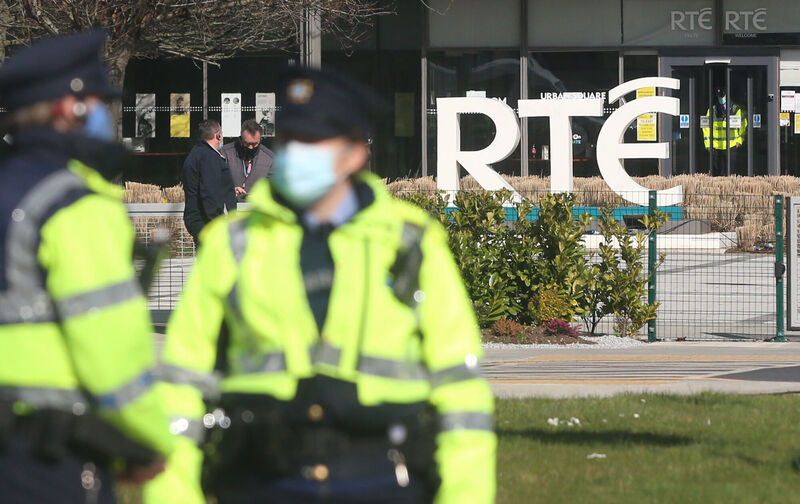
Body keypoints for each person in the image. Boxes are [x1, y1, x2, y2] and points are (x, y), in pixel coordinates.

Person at [145, 67, 496, 504]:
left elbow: (460, 391)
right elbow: (181, 385)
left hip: (382, 482)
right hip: (260, 481)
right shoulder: (232, 246)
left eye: (315, 140)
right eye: (292, 139)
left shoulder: (410, 244)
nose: (297, 152)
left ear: (355, 153)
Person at [0, 31, 174, 503]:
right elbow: (111, 349)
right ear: (70, 109)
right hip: (51, 457)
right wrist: (148, 442)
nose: (107, 117)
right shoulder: (75, 205)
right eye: (100, 103)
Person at [181, 119, 237, 244]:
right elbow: (209, 192)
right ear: (218, 135)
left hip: (198, 219)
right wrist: (218, 222)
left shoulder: (196, 153)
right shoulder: (209, 157)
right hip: (207, 221)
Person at [220, 119, 274, 201]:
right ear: (240, 139)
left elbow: (273, 188)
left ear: (260, 140)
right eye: (247, 143)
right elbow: (216, 181)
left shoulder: (269, 158)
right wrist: (230, 190)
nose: (250, 147)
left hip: (256, 205)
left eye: (254, 144)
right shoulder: (225, 153)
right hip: (230, 204)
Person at [703, 87, 747, 176]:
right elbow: (706, 127)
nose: (721, 98)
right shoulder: (712, 110)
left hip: (731, 145)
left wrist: (739, 141)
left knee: (730, 171)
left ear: (727, 96)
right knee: (718, 172)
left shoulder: (735, 109)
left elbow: (743, 125)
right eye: (719, 96)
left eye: (722, 96)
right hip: (716, 146)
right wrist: (708, 144)